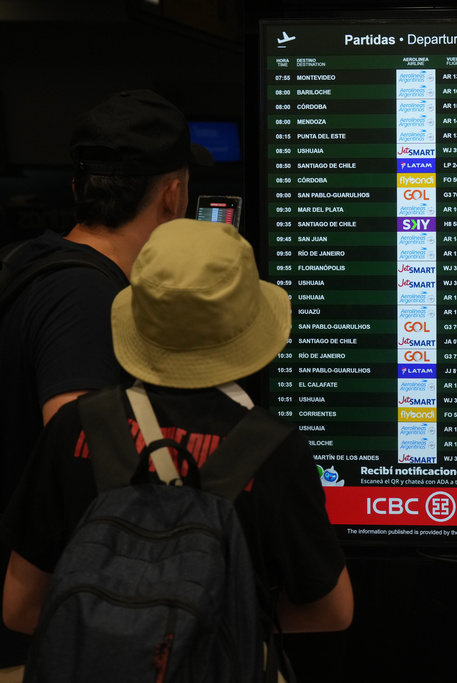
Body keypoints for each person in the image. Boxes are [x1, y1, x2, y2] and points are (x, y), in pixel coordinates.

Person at [0, 219, 352, 641]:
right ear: (249, 327)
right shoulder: (275, 449)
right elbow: (332, 612)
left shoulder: (73, 427)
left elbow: (20, 609)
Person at [0, 89, 212, 669]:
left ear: (78, 189)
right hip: (41, 630)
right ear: (174, 194)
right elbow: (81, 453)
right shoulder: (87, 298)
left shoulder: (27, 260)